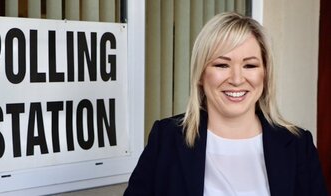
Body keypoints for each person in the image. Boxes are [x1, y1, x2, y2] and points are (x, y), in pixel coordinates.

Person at [124, 12, 328, 196]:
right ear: (200, 75)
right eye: (222, 65)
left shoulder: (298, 145)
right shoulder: (166, 139)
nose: (237, 79)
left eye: (250, 65)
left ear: (265, 74)